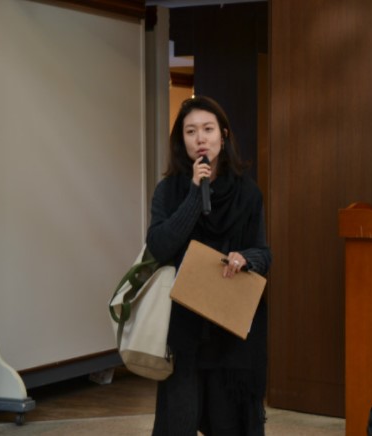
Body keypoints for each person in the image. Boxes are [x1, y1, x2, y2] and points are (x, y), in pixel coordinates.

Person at [147, 96, 271, 436]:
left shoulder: (248, 194)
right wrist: (193, 194)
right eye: (190, 131)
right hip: (184, 328)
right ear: (181, 140)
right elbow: (159, 246)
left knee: (229, 422)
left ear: (223, 135)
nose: (200, 138)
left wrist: (246, 259)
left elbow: (264, 253)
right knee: (180, 420)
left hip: (230, 329)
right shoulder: (169, 190)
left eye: (208, 129)